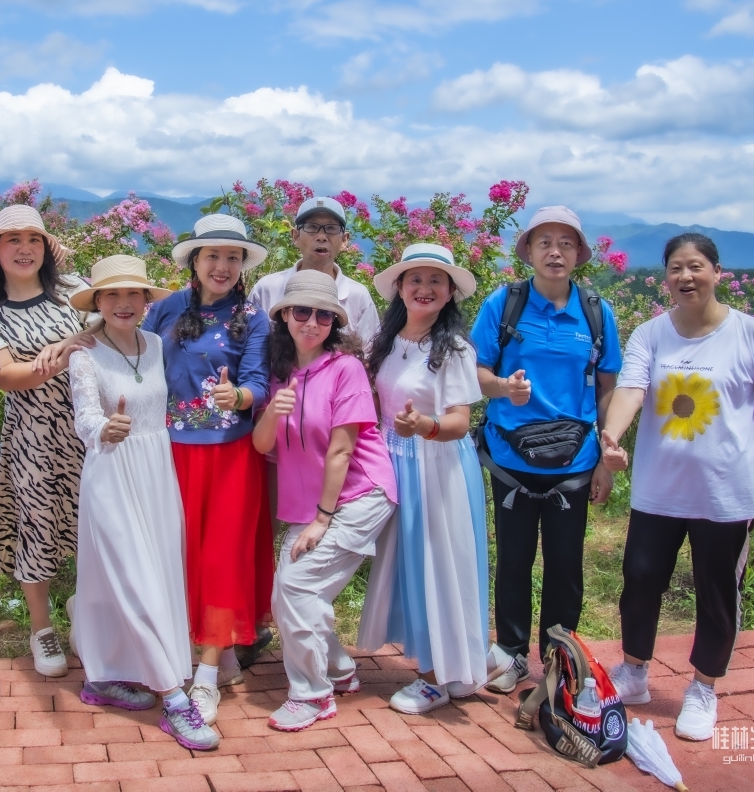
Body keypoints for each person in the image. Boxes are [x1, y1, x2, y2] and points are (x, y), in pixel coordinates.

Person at [600, 233, 754, 742]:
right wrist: (611, 434)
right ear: (665, 276)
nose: (685, 277)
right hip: (658, 490)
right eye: (675, 268)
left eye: (695, 267)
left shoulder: (753, 334)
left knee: (717, 594)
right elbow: (631, 388)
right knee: (641, 580)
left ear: (717, 272)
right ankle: (634, 673)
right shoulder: (649, 334)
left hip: (725, 494)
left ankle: (703, 688)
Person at [66, 255, 220, 751]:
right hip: (111, 471)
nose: (124, 303)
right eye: (112, 295)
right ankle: (175, 701)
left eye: (133, 294)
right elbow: (85, 415)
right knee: (133, 579)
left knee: (153, 577)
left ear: (147, 301)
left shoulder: (156, 344)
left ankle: (103, 676)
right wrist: (102, 429)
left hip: (157, 471)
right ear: (97, 303)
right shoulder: (85, 353)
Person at [469, 206, 622, 693]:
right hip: (511, 457)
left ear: (579, 253)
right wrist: (502, 388)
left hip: (574, 460)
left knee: (565, 563)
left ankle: (560, 657)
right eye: (544, 242)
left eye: (566, 243)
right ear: (529, 251)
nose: (555, 251)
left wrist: (605, 456)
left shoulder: (595, 311)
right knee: (512, 559)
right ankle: (511, 652)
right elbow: (475, 373)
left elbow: (606, 387)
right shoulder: (505, 303)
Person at [358, 244, 512, 713]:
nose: (424, 289)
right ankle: (460, 662)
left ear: (449, 294)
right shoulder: (385, 341)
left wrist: (423, 426)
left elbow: (460, 422)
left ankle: (435, 678)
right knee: (406, 566)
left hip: (437, 466)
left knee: (438, 565)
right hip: (394, 460)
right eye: (415, 280)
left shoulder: (454, 350)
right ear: (399, 288)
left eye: (435, 281)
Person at [142, 213, 274, 724]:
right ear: (194, 261)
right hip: (169, 450)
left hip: (229, 453)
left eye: (233, 257)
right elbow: (132, 355)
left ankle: (207, 673)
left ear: (242, 265)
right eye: (213, 255)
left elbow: (259, 383)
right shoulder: (166, 308)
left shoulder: (254, 317)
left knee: (220, 557)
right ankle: (186, 646)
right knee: (178, 553)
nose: (223, 265)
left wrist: (236, 394)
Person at [252, 272, 396, 732]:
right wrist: (273, 414)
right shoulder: (282, 374)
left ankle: (312, 696)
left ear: (335, 322)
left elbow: (342, 449)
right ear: (284, 317)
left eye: (322, 315)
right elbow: (261, 446)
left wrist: (322, 520)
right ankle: (337, 668)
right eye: (301, 312)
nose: (311, 322)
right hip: (312, 503)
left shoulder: (345, 369)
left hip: (358, 494)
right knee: (291, 588)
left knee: (296, 587)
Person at [0, 204, 93, 678]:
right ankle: (41, 629)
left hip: (88, 430)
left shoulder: (71, 290)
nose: (24, 249)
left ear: (46, 248)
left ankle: (91, 614)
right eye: (12, 240)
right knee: (38, 529)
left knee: (94, 528)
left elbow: (108, 320)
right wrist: (67, 354)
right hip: (34, 439)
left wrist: (67, 344)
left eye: (33, 239)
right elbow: (8, 377)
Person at [249, 196, 380, 346]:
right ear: (295, 236)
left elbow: (368, 355)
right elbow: (248, 346)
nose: (322, 237)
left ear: (344, 240)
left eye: (331, 228)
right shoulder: (267, 289)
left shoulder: (357, 296)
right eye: (311, 227)